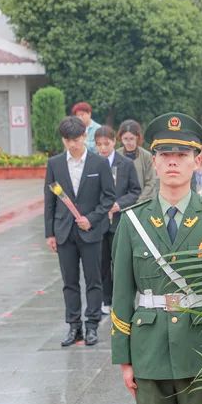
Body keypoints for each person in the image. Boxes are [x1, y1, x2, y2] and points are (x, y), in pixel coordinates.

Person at [111, 112, 202, 404]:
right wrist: (124, 359)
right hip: (148, 352)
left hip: (201, 351)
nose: (173, 163)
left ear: (198, 161)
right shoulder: (133, 221)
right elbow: (121, 293)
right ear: (155, 163)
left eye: (182, 155)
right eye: (165, 155)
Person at [44, 116, 116, 347]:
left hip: (91, 231)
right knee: (69, 281)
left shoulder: (98, 163)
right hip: (63, 230)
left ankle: (92, 324)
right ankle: (73, 326)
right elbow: (49, 201)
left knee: (94, 279)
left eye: (76, 139)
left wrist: (92, 219)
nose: (72, 145)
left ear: (85, 137)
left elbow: (108, 197)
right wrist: (49, 233)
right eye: (68, 140)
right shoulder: (55, 164)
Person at [93, 126, 141, 315]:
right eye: (99, 145)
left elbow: (135, 191)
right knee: (102, 262)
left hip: (119, 219)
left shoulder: (126, 164)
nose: (103, 148)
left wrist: (118, 205)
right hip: (99, 221)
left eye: (106, 144)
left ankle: (124, 298)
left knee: (121, 262)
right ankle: (106, 299)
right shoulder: (93, 163)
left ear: (114, 142)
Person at [118, 120, 157, 202]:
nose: (128, 142)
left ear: (138, 137)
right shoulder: (116, 155)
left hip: (142, 201)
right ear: (121, 138)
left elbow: (150, 182)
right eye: (125, 139)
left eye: (131, 138)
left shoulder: (146, 156)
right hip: (120, 203)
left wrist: (139, 200)